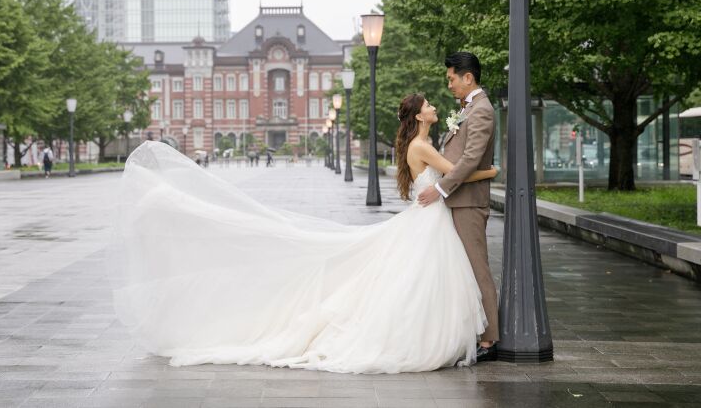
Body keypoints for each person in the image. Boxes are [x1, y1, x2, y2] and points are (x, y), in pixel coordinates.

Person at [110, 89, 499, 373]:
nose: (434, 107)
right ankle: (427, 335)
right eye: (428, 105)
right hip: (428, 221)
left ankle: (432, 331)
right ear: (418, 116)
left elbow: (450, 172)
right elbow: (456, 173)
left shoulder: (422, 142)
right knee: (417, 279)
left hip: (427, 218)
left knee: (414, 279)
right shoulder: (422, 146)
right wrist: (493, 172)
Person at [417, 51, 499, 362]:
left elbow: (470, 159)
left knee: (478, 268)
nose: (448, 84)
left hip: (468, 202)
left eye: (451, 78)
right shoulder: (467, 108)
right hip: (458, 200)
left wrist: (440, 188)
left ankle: (490, 339)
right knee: (463, 269)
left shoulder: (481, 111)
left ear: (468, 77)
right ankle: (474, 332)